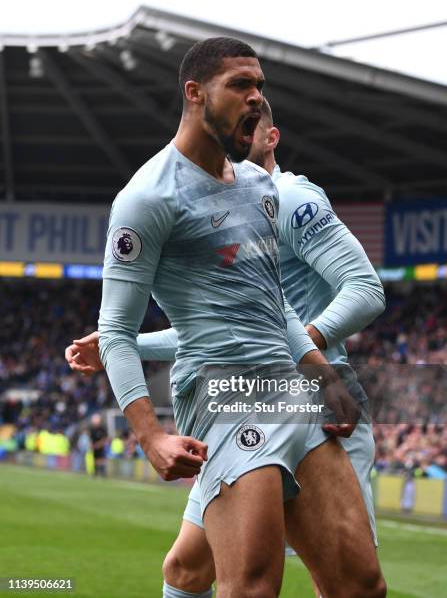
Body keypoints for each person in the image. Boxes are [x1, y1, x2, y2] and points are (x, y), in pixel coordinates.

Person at [69, 38, 386, 597]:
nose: (256, 99)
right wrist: (149, 436)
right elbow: (116, 329)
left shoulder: (262, 187)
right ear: (195, 94)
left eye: (260, 86)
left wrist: (321, 372)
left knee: (361, 586)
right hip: (225, 396)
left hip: (293, 391)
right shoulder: (147, 198)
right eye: (241, 85)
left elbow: (272, 303)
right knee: (253, 587)